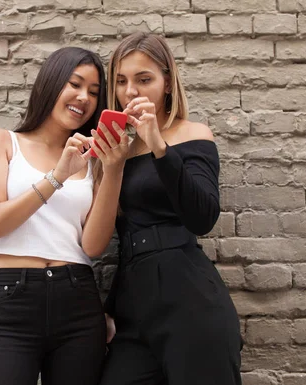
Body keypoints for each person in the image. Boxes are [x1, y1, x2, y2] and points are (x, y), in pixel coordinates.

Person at [0, 47, 129, 385]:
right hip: (11, 300)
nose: (83, 97)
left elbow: (93, 245)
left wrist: (114, 168)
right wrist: (56, 176)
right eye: (74, 84)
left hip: (77, 300)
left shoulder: (94, 161)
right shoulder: (2, 142)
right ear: (51, 83)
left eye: (93, 92)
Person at [99, 32, 243, 385]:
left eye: (144, 79)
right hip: (133, 303)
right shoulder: (120, 151)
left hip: (188, 298)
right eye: (121, 81)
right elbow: (121, 235)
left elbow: (203, 217)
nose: (130, 91)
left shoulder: (192, 134)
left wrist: (159, 145)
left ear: (167, 83)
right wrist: (110, 308)